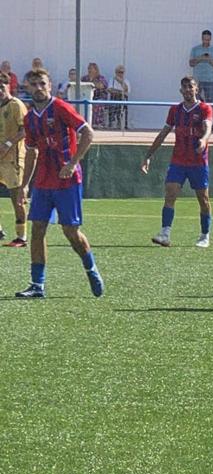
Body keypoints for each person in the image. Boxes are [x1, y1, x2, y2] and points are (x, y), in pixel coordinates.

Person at [15, 69, 104, 299]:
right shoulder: (29, 118)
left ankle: (91, 268)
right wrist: (25, 185)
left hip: (67, 180)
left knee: (71, 233)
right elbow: (32, 152)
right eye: (33, 84)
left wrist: (73, 163)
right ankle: (37, 285)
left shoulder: (61, 108)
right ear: (27, 87)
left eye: (42, 83)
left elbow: (88, 133)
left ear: (50, 85)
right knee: (37, 230)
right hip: (44, 182)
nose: (38, 88)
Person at [141, 77, 213, 248]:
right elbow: (163, 133)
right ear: (180, 91)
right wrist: (148, 155)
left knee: (203, 199)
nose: (188, 90)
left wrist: (203, 140)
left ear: (197, 89)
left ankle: (204, 235)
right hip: (178, 161)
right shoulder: (175, 111)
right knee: (170, 194)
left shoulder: (204, 108)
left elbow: (208, 126)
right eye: (185, 87)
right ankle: (165, 233)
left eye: (191, 87)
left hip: (198, 162)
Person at [0, 72, 28, 247]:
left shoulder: (16, 105)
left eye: (1, 87)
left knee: (15, 197)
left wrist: (8, 144)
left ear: (8, 86)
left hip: (13, 159)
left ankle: (21, 237)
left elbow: (25, 130)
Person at [189, 30, 213, 103]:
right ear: (201, 38)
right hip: (197, 80)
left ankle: (209, 114)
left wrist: (210, 60)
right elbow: (191, 64)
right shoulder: (195, 49)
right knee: (195, 102)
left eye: (208, 40)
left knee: (210, 102)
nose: (206, 41)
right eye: (205, 39)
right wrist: (200, 58)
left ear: (210, 39)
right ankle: (196, 115)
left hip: (210, 80)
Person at [107, 65, 130, 129]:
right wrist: (120, 91)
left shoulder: (126, 81)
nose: (120, 74)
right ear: (116, 72)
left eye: (122, 72)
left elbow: (126, 90)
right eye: (119, 72)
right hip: (113, 98)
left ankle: (119, 122)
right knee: (113, 105)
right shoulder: (112, 80)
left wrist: (120, 81)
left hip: (122, 99)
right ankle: (112, 123)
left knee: (120, 106)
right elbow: (109, 89)